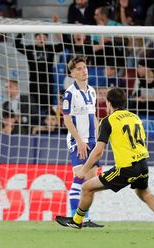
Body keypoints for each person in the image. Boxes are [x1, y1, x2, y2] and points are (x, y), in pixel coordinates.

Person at [56, 87, 154, 233]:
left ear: (108, 103)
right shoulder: (135, 118)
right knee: (145, 193)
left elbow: (98, 151)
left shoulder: (108, 121)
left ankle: (76, 221)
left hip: (125, 168)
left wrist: (83, 170)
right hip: (143, 164)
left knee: (86, 187)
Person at [61, 56, 102, 228]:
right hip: (77, 141)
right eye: (78, 68)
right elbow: (66, 120)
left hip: (92, 142)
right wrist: (79, 141)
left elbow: (93, 117)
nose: (83, 70)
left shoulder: (92, 91)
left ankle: (84, 218)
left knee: (90, 183)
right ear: (72, 73)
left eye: (84, 67)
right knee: (79, 177)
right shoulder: (70, 93)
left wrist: (99, 139)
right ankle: (73, 217)